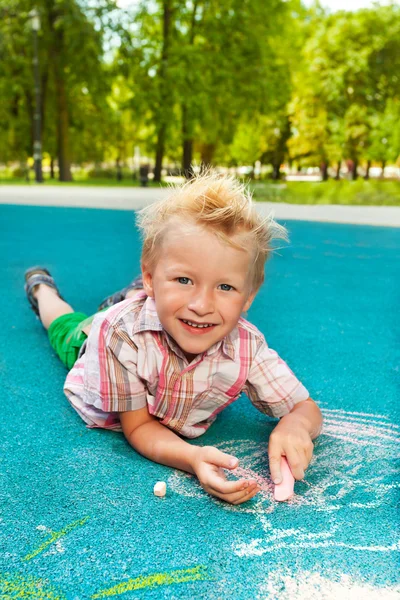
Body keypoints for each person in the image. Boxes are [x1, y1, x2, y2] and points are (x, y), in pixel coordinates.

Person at [24, 170, 322, 505]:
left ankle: (150, 289)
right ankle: (41, 289)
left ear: (249, 295)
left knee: (167, 305)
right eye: (184, 280)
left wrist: (294, 425)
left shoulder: (246, 346)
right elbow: (138, 428)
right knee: (64, 326)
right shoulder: (119, 333)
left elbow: (305, 408)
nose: (202, 306)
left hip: (157, 307)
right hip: (96, 335)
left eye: (225, 287)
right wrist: (192, 459)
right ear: (151, 277)